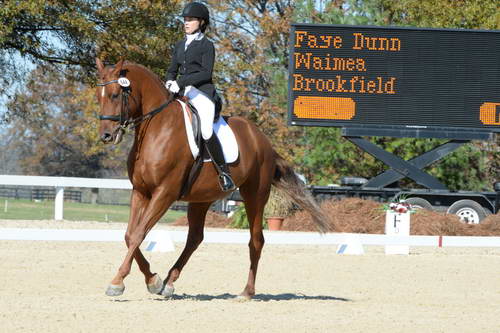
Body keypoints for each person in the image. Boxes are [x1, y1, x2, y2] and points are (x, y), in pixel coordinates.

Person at [165, 2, 236, 192]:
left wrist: (180, 82)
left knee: (206, 131)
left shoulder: (207, 45)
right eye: (185, 20)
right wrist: (169, 82)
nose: (186, 23)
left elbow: (206, 73)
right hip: (183, 94)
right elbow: (172, 70)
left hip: (203, 94)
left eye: (190, 20)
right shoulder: (179, 45)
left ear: (201, 22)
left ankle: (224, 173)